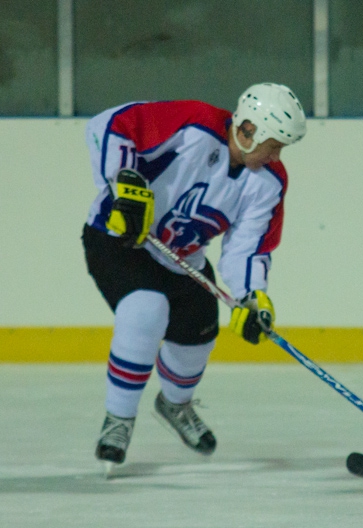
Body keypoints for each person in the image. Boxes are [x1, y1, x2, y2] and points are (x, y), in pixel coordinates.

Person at [82, 83, 307, 467]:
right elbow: (110, 125)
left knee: (198, 339)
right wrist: (125, 184)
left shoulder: (268, 182)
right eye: (273, 144)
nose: (276, 155)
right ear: (248, 130)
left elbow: (247, 247)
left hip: (182, 258)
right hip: (119, 239)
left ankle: (174, 405)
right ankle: (118, 419)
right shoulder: (195, 124)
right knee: (145, 310)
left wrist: (252, 296)